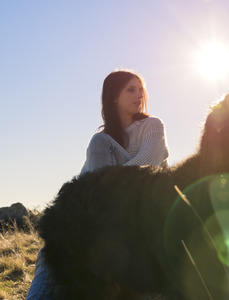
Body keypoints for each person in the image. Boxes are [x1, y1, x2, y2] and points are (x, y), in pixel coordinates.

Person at [26, 70, 170, 299]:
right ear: (114, 96)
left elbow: (148, 167)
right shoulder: (104, 139)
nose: (139, 95)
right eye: (131, 89)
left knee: (100, 144)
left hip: (143, 204)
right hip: (110, 213)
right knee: (48, 252)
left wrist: (102, 186)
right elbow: (87, 183)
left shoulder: (152, 125)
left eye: (140, 90)